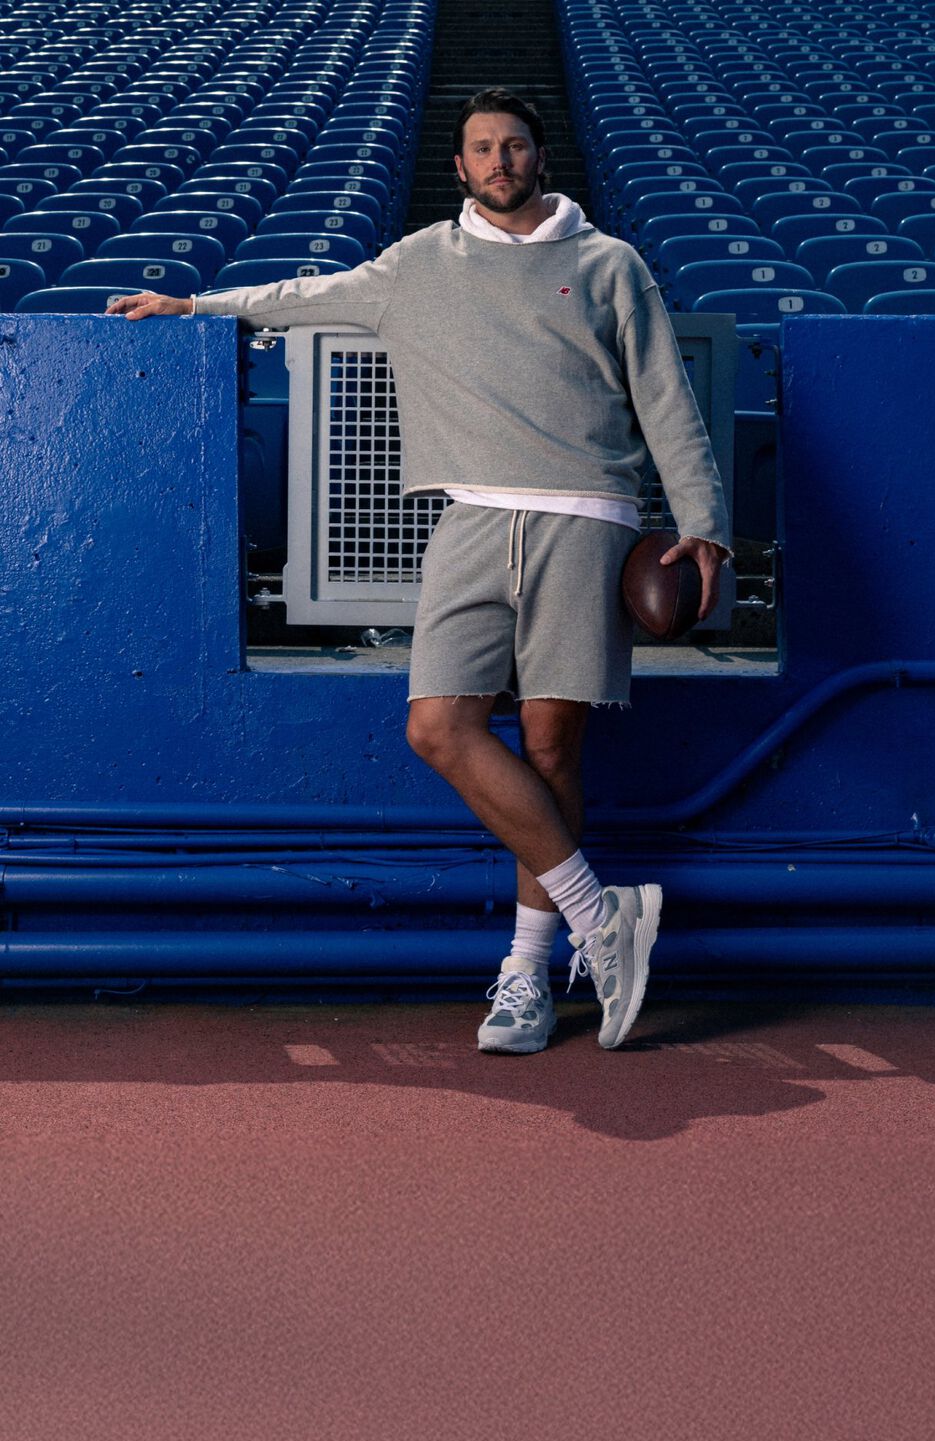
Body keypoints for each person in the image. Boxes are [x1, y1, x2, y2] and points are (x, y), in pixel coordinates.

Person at [108, 88, 733, 1054]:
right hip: (471, 517)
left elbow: (665, 393)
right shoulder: (419, 265)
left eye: (514, 145)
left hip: (587, 517)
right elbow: (308, 295)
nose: (499, 161)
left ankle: (526, 974)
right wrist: (196, 301)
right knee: (437, 727)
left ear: (538, 156)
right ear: (459, 166)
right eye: (481, 147)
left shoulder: (609, 263)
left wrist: (704, 522)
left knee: (552, 746)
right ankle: (599, 914)